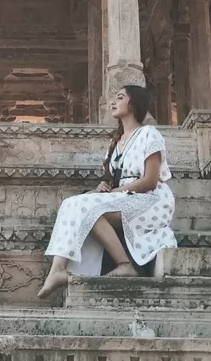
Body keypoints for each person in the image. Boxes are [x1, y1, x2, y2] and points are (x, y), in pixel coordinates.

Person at [38, 84, 177, 298]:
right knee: (74, 203)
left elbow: (150, 180)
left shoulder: (149, 134)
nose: (114, 102)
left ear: (133, 104)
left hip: (150, 200)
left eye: (120, 97)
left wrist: (117, 191)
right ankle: (59, 269)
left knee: (85, 206)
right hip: (123, 196)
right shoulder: (115, 143)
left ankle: (123, 265)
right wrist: (104, 188)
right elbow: (113, 180)